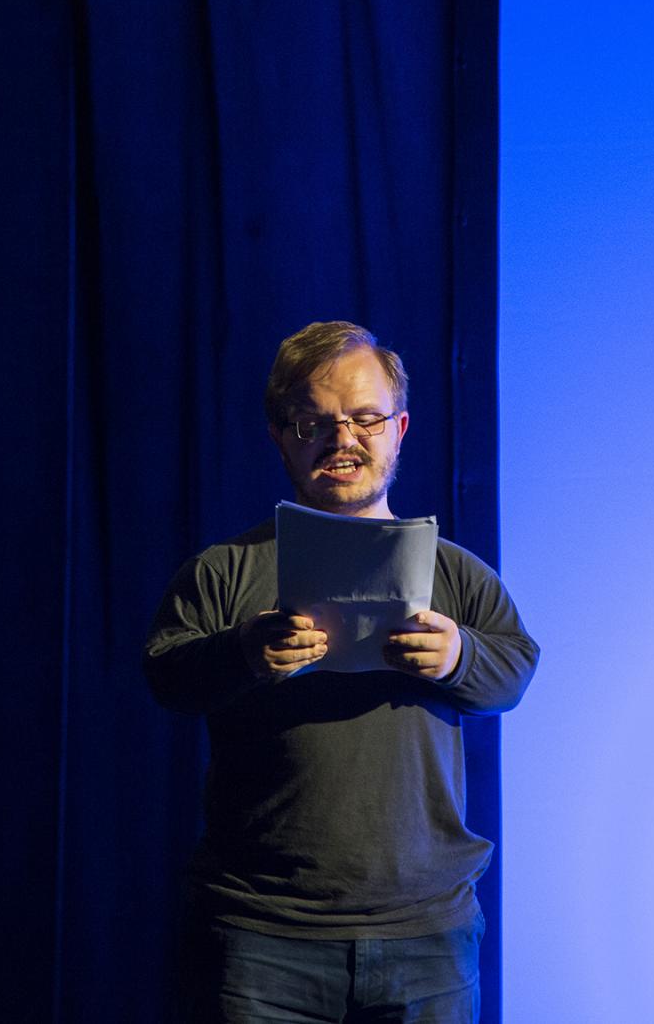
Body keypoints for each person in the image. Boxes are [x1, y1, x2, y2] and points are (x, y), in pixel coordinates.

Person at [144, 321, 539, 1023]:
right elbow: (166, 676)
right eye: (314, 423)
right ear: (280, 435)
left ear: (399, 428)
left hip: (426, 934)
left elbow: (514, 669)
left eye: (365, 418)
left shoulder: (456, 573)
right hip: (261, 935)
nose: (342, 439)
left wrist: (459, 657)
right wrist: (243, 652)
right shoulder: (224, 571)